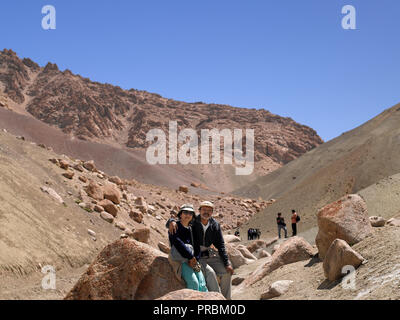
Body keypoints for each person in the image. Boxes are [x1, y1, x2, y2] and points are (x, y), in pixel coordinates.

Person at [168, 201, 234, 299]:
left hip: (206, 255)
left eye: (209, 210)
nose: (206, 212)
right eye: (204, 210)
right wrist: (170, 221)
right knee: (209, 274)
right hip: (193, 257)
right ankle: (215, 298)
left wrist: (227, 262)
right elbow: (178, 225)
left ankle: (226, 299)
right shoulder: (193, 222)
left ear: (212, 212)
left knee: (226, 272)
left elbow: (220, 245)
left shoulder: (214, 225)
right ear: (199, 211)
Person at [168, 204, 208, 292]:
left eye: (190, 213)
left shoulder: (192, 229)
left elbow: (197, 246)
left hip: (192, 260)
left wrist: (195, 259)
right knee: (194, 283)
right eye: (185, 212)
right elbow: (178, 243)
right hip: (180, 260)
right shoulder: (174, 226)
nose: (188, 215)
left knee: (202, 283)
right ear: (180, 214)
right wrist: (191, 257)